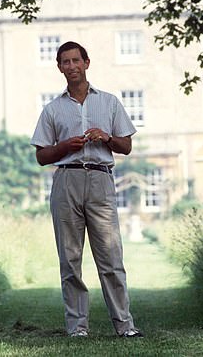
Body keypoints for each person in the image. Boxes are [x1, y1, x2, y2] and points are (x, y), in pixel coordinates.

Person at [31, 41, 143, 338]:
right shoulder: (52, 109)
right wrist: (66, 146)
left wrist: (106, 137)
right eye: (65, 62)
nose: (71, 67)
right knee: (70, 260)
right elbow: (41, 156)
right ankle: (77, 328)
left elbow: (127, 146)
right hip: (66, 181)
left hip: (100, 180)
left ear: (86, 63)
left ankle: (125, 326)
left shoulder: (108, 102)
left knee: (110, 257)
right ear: (59, 67)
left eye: (75, 61)